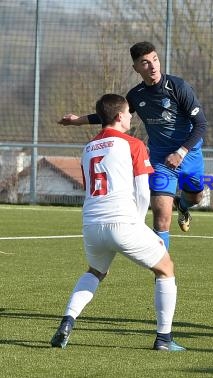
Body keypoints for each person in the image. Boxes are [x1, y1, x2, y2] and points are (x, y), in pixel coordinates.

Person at [50, 94, 184, 351]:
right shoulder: (133, 144)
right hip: (122, 222)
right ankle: (164, 340)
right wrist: (140, 224)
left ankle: (68, 320)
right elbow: (143, 192)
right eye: (128, 113)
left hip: (91, 223)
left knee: (95, 272)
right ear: (120, 116)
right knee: (166, 268)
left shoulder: (88, 148)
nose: (131, 117)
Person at [58, 41, 207, 249]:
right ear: (136, 68)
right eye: (145, 63)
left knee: (196, 197)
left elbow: (200, 125)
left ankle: (182, 205)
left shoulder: (178, 87)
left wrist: (181, 152)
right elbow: (112, 115)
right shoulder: (136, 95)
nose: (153, 66)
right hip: (161, 160)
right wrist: (77, 120)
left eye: (155, 59)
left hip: (189, 154)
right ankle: (161, 273)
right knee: (161, 219)